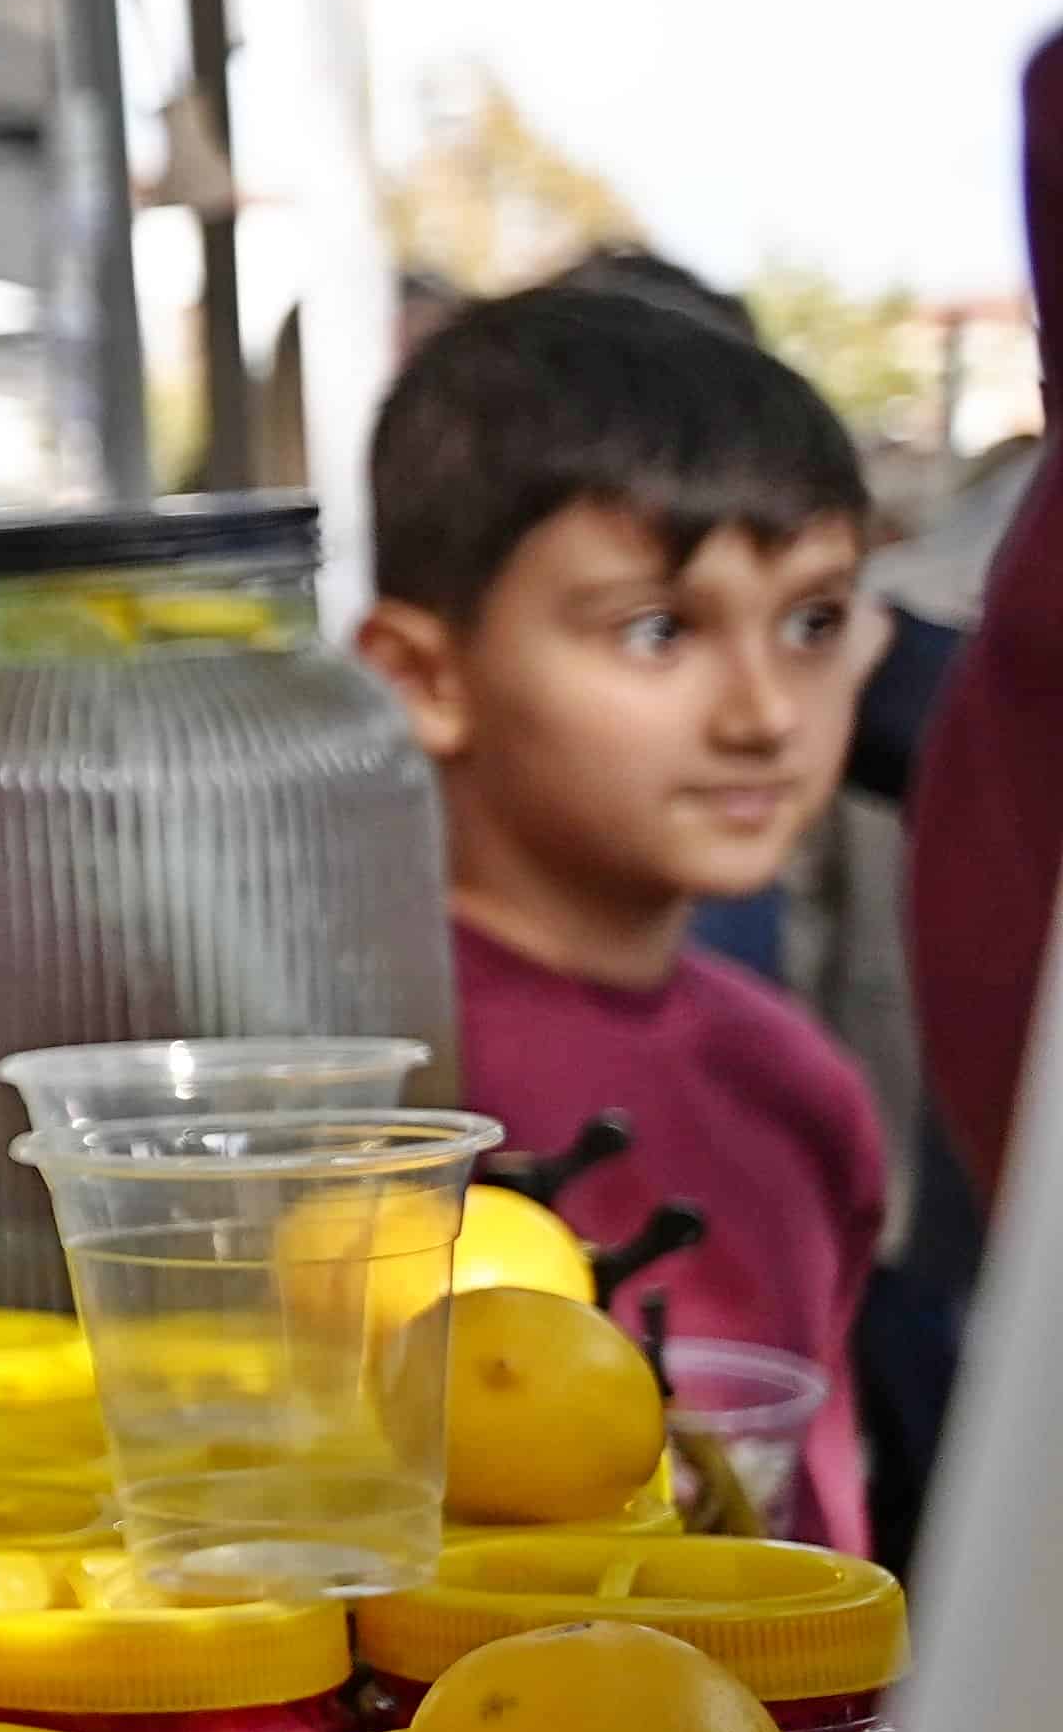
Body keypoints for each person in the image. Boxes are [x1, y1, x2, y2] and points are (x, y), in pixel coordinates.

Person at [358, 278, 891, 1373]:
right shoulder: (363, 1098)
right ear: (424, 676)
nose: (765, 714)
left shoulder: (798, 1083)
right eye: (658, 631)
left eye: (812, 622)